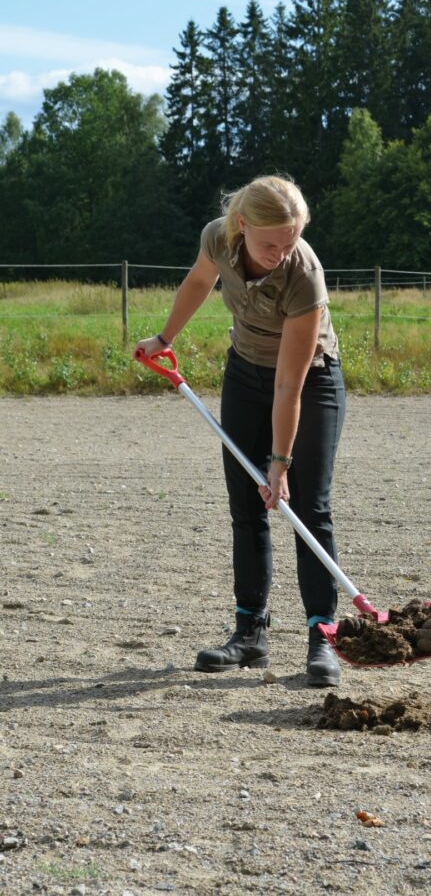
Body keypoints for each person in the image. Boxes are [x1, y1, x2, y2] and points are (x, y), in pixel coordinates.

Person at [135, 175, 345, 687]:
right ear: (242, 225)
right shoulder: (218, 237)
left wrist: (280, 463)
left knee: (305, 508)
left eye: (291, 240)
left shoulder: (304, 274)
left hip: (308, 383)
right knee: (245, 509)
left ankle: (323, 638)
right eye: (270, 242)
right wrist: (164, 337)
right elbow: (198, 282)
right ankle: (250, 634)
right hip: (246, 374)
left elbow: (289, 386)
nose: (281, 252)